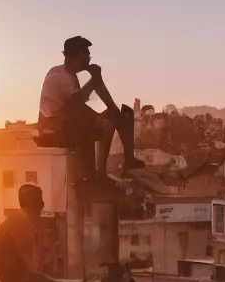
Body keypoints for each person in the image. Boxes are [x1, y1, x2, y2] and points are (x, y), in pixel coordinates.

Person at [38, 36, 145, 177]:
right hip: (55, 128)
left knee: (120, 115)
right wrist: (100, 118)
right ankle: (100, 173)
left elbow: (76, 103)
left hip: (67, 119)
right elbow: (76, 105)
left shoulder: (67, 74)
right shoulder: (63, 77)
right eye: (86, 53)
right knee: (106, 124)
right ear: (76, 55)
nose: (89, 56)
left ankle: (129, 160)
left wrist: (112, 109)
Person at [0, 184, 82, 282]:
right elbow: (30, 265)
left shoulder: (17, 219)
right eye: (40, 202)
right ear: (33, 204)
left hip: (13, 277)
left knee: (49, 281)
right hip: (16, 278)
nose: (42, 206)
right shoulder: (20, 222)